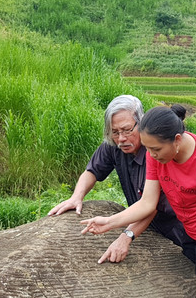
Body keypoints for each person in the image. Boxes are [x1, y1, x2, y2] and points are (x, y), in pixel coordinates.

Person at [81, 106, 196, 298]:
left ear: (176, 140)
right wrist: (109, 223)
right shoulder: (154, 154)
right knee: (190, 288)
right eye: (148, 149)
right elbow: (148, 202)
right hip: (188, 229)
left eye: (156, 149)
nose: (151, 155)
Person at [48, 95, 186, 263]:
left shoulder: (157, 152)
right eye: (115, 132)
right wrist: (76, 197)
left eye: (127, 130)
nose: (121, 138)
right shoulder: (114, 145)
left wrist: (125, 237)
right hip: (142, 221)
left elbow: (152, 205)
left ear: (141, 124)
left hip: (174, 226)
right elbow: (92, 171)